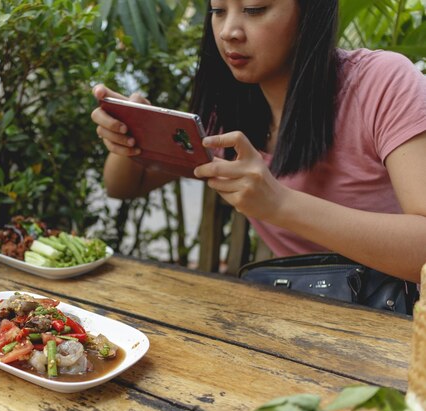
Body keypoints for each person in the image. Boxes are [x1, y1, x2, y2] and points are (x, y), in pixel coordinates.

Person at [90, 0, 426, 284]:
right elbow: (124, 186)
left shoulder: (381, 83)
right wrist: (133, 133)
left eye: (254, 9)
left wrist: (280, 204)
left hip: (403, 322)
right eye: (218, 10)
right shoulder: (229, 112)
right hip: (307, 314)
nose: (228, 31)